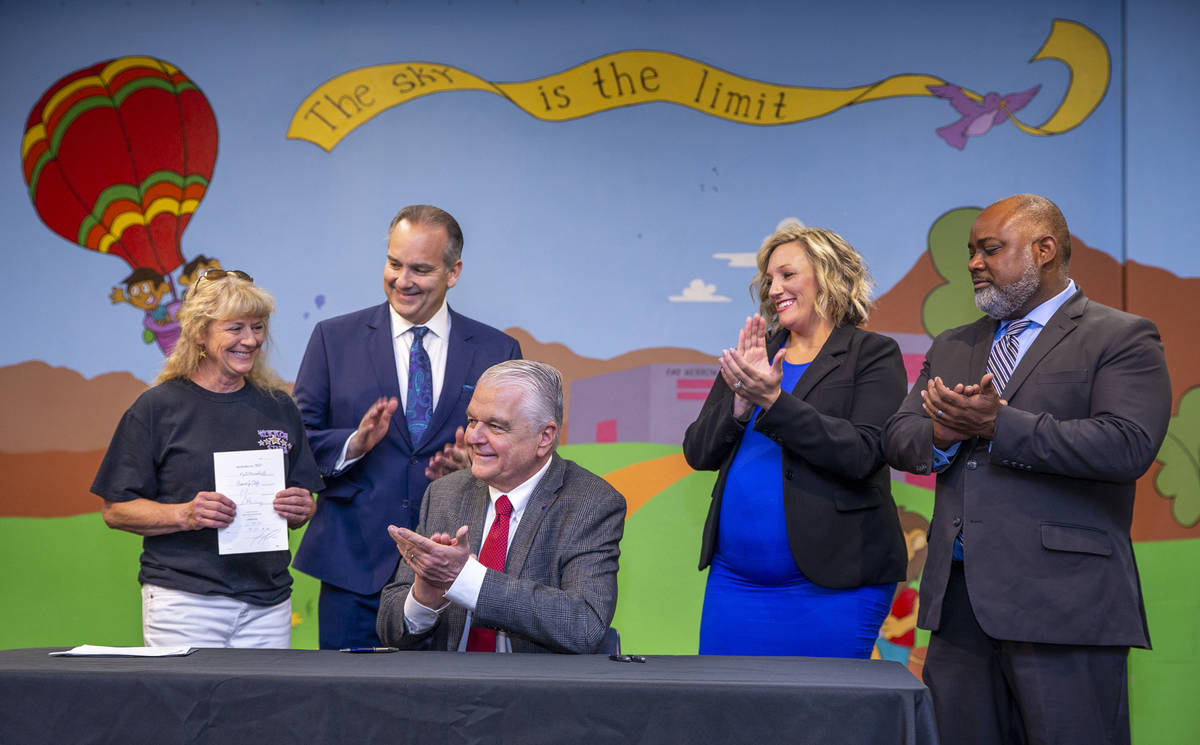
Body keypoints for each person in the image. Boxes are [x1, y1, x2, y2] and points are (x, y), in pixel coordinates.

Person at [882, 194, 1171, 745]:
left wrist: (999, 425)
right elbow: (897, 437)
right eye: (971, 251)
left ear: (1043, 250)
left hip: (1065, 606)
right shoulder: (953, 345)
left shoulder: (1120, 336)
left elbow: (1127, 445)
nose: (972, 263)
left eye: (989, 249)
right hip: (960, 608)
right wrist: (941, 433)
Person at [293, 204, 522, 649]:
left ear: (453, 272)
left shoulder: (498, 348)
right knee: (347, 710)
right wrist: (353, 444)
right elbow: (296, 442)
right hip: (351, 568)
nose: (402, 280)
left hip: (453, 574)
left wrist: (475, 464)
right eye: (394, 264)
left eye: (420, 268)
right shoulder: (332, 339)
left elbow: (523, 451)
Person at [682, 221, 908, 657]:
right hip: (735, 585)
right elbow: (698, 452)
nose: (773, 289)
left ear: (828, 276)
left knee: (826, 721)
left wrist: (773, 400)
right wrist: (740, 405)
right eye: (768, 280)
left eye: (787, 275)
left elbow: (863, 454)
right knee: (725, 716)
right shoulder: (756, 354)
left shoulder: (873, 354)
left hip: (835, 587)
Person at [92, 269, 322, 648]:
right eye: (235, 328)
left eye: (258, 327)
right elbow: (115, 510)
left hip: (269, 604)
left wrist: (302, 507)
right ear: (200, 333)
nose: (250, 340)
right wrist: (185, 514)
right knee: (186, 709)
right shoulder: (157, 408)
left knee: (265, 708)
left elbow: (303, 499)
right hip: (185, 603)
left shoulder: (280, 407)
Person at [377, 360, 626, 653]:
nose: (473, 437)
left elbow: (584, 626)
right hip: (450, 690)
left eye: (495, 426)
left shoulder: (590, 503)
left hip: (534, 691)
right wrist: (425, 596)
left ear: (544, 437)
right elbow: (392, 631)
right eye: (471, 421)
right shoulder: (445, 494)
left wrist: (466, 580)